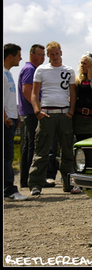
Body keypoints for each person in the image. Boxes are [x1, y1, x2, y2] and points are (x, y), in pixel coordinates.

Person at [28, 41, 78, 196]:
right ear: (48, 55)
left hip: (64, 114)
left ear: (61, 53)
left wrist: (71, 112)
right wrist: (37, 111)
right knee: (41, 150)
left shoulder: (69, 70)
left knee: (67, 151)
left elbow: (73, 93)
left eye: (57, 53)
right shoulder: (41, 70)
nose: (55, 57)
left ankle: (68, 183)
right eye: (52, 54)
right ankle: (35, 184)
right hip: (46, 114)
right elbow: (34, 93)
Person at [17, 44, 51, 189]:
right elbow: (27, 90)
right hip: (32, 113)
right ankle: (33, 179)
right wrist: (37, 109)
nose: (43, 58)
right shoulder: (30, 70)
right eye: (40, 55)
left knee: (28, 146)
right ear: (32, 54)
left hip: (28, 112)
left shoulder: (30, 69)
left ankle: (26, 179)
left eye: (44, 55)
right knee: (35, 146)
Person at [4, 44, 28, 201]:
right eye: (18, 55)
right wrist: (5, 116)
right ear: (10, 56)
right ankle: (9, 190)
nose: (20, 58)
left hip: (11, 118)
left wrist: (16, 116)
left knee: (8, 155)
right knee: (7, 156)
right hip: (6, 121)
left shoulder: (9, 74)